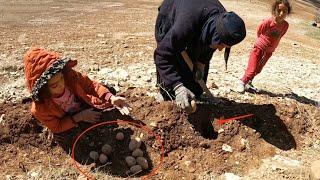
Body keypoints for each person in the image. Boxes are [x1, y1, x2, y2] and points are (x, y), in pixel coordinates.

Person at [24, 47, 131, 151]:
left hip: (83, 103)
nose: (61, 85)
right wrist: (80, 117)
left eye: (61, 78)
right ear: (44, 90)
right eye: (54, 85)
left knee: (109, 90)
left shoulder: (71, 77)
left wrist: (110, 97)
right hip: (69, 119)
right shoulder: (41, 109)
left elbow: (91, 86)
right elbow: (57, 126)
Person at [154, 0, 246, 112]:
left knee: (195, 85)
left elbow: (209, 45)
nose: (221, 49)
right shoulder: (185, 25)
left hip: (197, 15)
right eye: (221, 44)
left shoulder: (223, 23)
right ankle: (167, 96)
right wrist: (178, 87)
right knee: (174, 55)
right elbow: (162, 55)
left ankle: (194, 94)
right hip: (172, 14)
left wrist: (200, 66)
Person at [236, 0, 291, 93]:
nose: (281, 14)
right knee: (252, 68)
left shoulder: (285, 25)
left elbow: (280, 36)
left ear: (287, 13)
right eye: (279, 10)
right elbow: (259, 31)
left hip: (269, 51)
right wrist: (261, 42)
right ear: (274, 10)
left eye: (284, 11)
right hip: (259, 48)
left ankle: (249, 82)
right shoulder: (268, 21)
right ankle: (242, 82)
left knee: (258, 69)